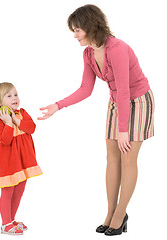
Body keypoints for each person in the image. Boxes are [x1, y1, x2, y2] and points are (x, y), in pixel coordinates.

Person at [37, 4, 154, 236]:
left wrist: (123, 130)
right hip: (116, 102)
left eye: (77, 30)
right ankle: (110, 214)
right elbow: (85, 89)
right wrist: (57, 106)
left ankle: (120, 215)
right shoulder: (88, 53)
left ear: (91, 27)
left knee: (127, 158)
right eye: (73, 30)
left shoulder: (117, 48)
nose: (74, 35)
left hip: (138, 101)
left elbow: (124, 89)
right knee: (111, 158)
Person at [0, 82, 43, 235]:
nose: (14, 98)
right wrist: (8, 122)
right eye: (9, 95)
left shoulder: (22, 113)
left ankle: (11, 220)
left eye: (15, 94)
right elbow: (6, 140)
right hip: (8, 163)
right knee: (8, 191)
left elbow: (31, 129)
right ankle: (5, 224)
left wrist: (16, 119)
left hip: (23, 161)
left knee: (19, 190)